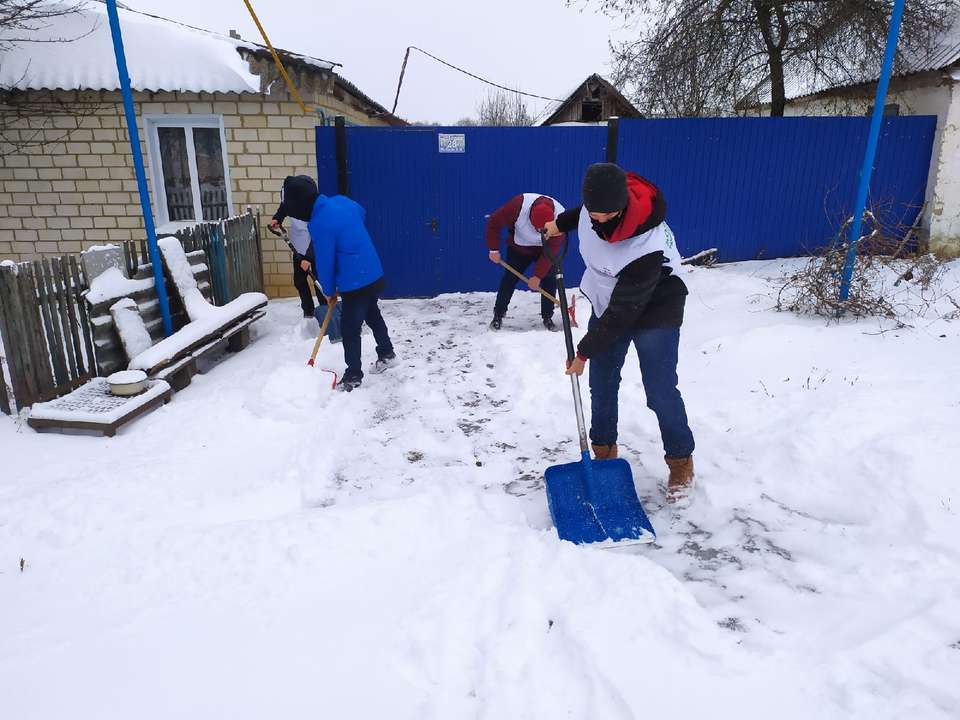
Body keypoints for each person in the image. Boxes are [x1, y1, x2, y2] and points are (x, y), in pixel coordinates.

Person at [543, 163, 696, 502]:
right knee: (602, 381)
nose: (598, 220)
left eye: (607, 214)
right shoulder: (593, 210)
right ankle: (602, 453)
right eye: (593, 213)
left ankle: (680, 460)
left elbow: (622, 314)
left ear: (623, 205)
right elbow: (581, 215)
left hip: (656, 304)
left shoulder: (645, 245)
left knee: (659, 389)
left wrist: (583, 351)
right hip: (610, 297)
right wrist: (559, 225)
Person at [307, 192, 396, 392]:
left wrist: (328, 290)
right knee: (372, 314)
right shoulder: (343, 203)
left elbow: (325, 262)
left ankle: (353, 376)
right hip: (372, 272)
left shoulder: (321, 222)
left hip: (356, 281)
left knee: (350, 328)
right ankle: (387, 353)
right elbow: (361, 212)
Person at [485, 193, 565, 331]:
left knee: (550, 280)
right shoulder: (517, 205)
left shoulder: (561, 218)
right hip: (519, 247)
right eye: (536, 228)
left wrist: (537, 275)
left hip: (544, 250)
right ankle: (498, 314)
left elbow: (551, 250)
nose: (539, 232)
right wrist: (493, 249)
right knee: (509, 279)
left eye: (543, 230)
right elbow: (494, 221)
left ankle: (547, 316)